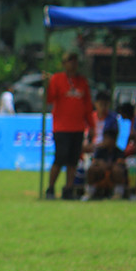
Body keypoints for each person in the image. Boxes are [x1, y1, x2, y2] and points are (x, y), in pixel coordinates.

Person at [45, 52, 94, 200]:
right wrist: (47, 84)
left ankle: (68, 189)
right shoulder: (57, 79)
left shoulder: (82, 82)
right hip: (61, 127)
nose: (73, 64)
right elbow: (49, 99)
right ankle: (51, 188)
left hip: (78, 127)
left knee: (73, 160)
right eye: (69, 61)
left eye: (75, 61)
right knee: (60, 159)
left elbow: (87, 105)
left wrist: (91, 126)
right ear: (64, 63)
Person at [83, 127, 127, 200]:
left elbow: (120, 164)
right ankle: (89, 192)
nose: (104, 141)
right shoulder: (100, 151)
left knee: (117, 170)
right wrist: (100, 164)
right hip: (101, 173)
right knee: (91, 169)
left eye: (106, 139)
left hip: (113, 174)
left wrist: (108, 165)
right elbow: (95, 161)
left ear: (113, 140)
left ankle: (118, 193)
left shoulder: (119, 152)